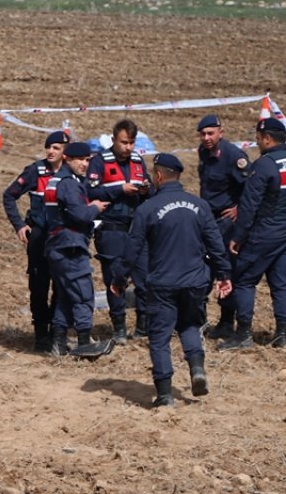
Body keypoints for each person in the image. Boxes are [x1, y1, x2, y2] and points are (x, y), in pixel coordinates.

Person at [116, 153, 233, 408]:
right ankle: (197, 369)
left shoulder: (147, 208)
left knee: (159, 337)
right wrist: (223, 274)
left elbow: (132, 248)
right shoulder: (199, 206)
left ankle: (165, 394)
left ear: (158, 176)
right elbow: (215, 243)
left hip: (162, 283)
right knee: (190, 325)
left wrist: (119, 278)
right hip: (195, 281)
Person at [218, 118, 286, 350]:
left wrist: (237, 236)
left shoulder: (264, 165)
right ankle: (282, 334)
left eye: (258, 139)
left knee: (245, 281)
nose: (257, 143)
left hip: (263, 235)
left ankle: (243, 334)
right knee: (282, 284)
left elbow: (248, 207)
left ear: (267, 138)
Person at [86, 119, 154, 344]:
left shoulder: (137, 161)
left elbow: (150, 188)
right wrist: (119, 189)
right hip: (111, 228)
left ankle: (143, 327)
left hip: (137, 229)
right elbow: (89, 189)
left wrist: (145, 189)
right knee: (116, 279)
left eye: (132, 143)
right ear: (114, 139)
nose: (128, 147)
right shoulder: (99, 161)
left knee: (144, 279)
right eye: (124, 142)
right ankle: (119, 329)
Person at [2, 130, 67, 352]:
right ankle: (41, 336)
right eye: (48, 147)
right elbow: (9, 195)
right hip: (39, 237)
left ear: (65, 152)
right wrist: (19, 225)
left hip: (62, 238)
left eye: (56, 148)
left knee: (62, 285)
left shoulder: (72, 173)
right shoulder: (35, 171)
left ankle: (58, 334)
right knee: (39, 287)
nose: (50, 151)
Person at [44, 142, 110, 356]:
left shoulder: (59, 181)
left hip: (59, 246)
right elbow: (80, 215)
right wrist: (94, 208)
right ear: (67, 159)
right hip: (69, 247)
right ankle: (84, 342)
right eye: (80, 159)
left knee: (65, 296)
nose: (85, 164)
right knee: (83, 294)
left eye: (88, 159)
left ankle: (59, 343)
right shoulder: (69, 184)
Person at [194, 114, 250, 340]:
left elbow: (252, 187)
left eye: (210, 133)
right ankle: (198, 318)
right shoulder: (203, 153)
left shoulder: (234, 156)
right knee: (203, 265)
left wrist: (238, 208)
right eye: (203, 134)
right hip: (209, 218)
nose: (206, 138)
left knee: (225, 267)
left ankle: (227, 321)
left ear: (221, 133)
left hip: (227, 222)